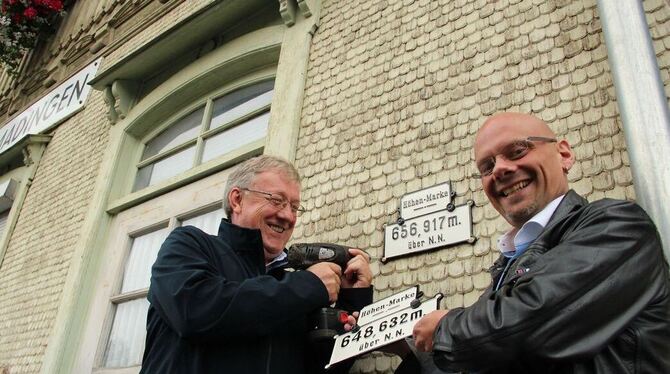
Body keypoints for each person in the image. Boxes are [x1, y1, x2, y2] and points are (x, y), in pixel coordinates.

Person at [409, 112, 670, 373]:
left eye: (518, 151)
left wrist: (445, 327)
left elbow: (527, 327)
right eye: (487, 167)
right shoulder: (508, 263)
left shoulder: (618, 225)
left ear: (564, 155)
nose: (499, 169)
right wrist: (407, 351)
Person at [140, 155, 373, 374]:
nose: (288, 216)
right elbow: (194, 311)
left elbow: (318, 368)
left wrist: (354, 297)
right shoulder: (189, 243)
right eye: (276, 200)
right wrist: (309, 285)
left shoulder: (290, 285)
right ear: (237, 199)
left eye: (294, 207)